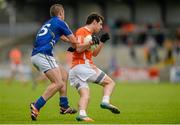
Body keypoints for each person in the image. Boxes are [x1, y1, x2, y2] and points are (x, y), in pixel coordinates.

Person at [68, 13, 120, 122]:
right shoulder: (82, 31)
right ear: (94, 22)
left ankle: (82, 114)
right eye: (100, 24)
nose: (101, 27)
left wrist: (101, 42)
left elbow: (94, 53)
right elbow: (78, 49)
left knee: (85, 94)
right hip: (83, 65)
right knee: (110, 83)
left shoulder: (91, 35)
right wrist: (90, 42)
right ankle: (105, 101)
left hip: (75, 70)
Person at [30, 4, 78, 121]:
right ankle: (36, 105)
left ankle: (64, 106)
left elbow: (61, 36)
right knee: (58, 83)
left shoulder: (50, 22)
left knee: (64, 75)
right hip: (43, 54)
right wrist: (86, 44)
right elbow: (74, 41)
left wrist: (70, 41)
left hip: (37, 55)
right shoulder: (61, 22)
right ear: (61, 13)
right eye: (64, 13)